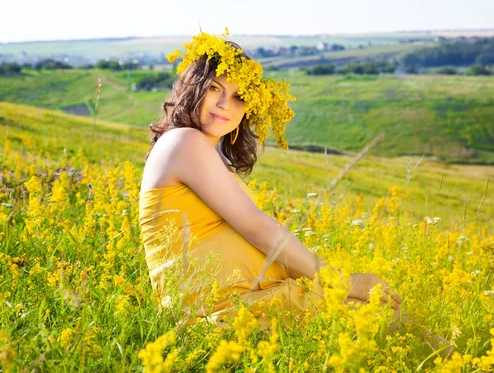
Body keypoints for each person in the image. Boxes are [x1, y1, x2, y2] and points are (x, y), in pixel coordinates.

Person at [139, 29, 404, 331]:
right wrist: (342, 281)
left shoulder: (203, 152)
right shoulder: (184, 142)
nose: (226, 104)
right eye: (214, 88)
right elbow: (256, 226)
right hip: (220, 310)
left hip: (243, 301)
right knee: (382, 318)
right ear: (192, 87)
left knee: (385, 313)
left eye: (239, 97)